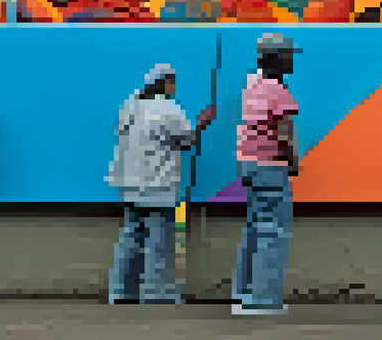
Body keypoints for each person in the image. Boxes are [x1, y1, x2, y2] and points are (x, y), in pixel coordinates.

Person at [106, 63, 215, 305]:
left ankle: (122, 292)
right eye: (172, 81)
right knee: (160, 241)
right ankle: (158, 294)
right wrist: (202, 122)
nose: (174, 87)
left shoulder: (131, 107)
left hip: (129, 184)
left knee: (131, 239)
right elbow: (186, 141)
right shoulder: (168, 109)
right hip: (158, 185)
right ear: (165, 83)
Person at [231, 33, 301, 317]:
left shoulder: (253, 85)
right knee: (273, 231)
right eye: (289, 55)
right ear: (276, 58)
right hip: (271, 165)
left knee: (255, 229)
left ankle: (244, 294)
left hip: (248, 164)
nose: (293, 60)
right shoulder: (278, 92)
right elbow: (283, 134)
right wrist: (293, 162)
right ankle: (263, 298)